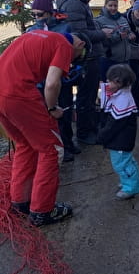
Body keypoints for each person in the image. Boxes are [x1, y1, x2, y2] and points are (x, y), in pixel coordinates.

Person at [0, 30, 88, 226]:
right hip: (19, 95)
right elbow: (51, 83)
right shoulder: (64, 46)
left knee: (24, 145)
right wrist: (51, 108)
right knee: (51, 149)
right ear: (79, 44)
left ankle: (20, 202)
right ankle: (42, 211)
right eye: (74, 59)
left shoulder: (39, 35)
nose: (70, 64)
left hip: (2, 94)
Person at [57, 0, 113, 145]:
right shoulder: (74, 4)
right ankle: (84, 133)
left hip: (90, 55)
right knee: (86, 97)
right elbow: (79, 35)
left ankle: (89, 127)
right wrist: (102, 33)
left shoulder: (78, 3)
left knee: (88, 96)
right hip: (86, 57)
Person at [27, 0, 82, 162]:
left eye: (40, 14)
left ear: (50, 13)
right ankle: (58, 148)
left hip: (60, 78)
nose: (37, 18)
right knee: (49, 115)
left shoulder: (64, 28)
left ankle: (68, 144)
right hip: (41, 81)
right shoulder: (31, 31)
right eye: (34, 14)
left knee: (64, 112)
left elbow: (73, 49)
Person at [97, 64, 139, 200]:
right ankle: (129, 182)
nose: (107, 83)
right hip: (121, 140)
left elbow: (113, 125)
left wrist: (102, 136)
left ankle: (131, 187)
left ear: (118, 82)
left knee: (122, 164)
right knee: (126, 162)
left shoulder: (123, 100)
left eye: (110, 81)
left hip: (120, 141)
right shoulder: (122, 93)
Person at [94, 0, 134, 81]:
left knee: (124, 87)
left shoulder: (123, 19)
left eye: (115, 5)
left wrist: (131, 36)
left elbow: (129, 31)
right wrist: (119, 37)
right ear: (105, 6)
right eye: (110, 5)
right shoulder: (98, 21)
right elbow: (101, 41)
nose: (113, 8)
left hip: (125, 60)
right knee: (109, 88)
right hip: (109, 61)